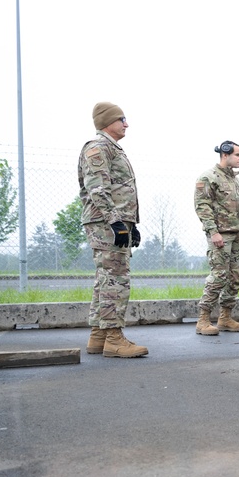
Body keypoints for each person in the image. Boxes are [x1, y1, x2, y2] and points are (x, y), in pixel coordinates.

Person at [78, 101, 147, 358]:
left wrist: (132, 225)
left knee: (105, 278)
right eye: (121, 119)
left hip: (113, 221)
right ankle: (114, 339)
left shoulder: (111, 148)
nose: (126, 123)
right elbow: (98, 187)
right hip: (106, 222)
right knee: (115, 279)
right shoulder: (98, 148)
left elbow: (120, 189)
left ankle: (99, 336)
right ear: (107, 122)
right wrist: (115, 221)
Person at [193, 140, 239, 335]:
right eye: (237, 155)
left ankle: (225, 317)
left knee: (235, 277)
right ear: (225, 154)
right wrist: (213, 231)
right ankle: (203, 319)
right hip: (220, 235)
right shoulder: (208, 177)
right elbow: (202, 206)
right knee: (219, 276)